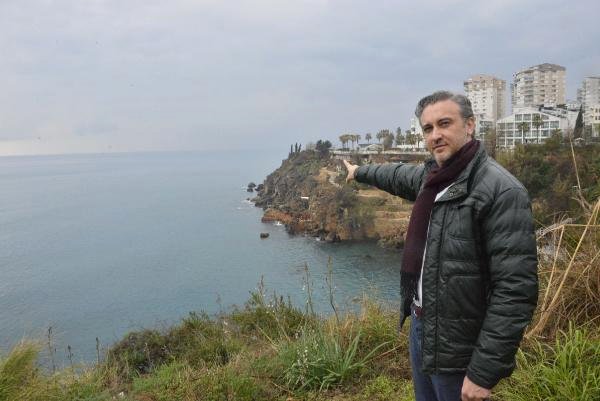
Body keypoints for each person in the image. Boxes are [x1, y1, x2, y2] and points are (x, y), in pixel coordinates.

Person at [343, 91, 538, 401]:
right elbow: (394, 175)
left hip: (461, 348)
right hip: (423, 326)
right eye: (428, 128)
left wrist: (483, 372)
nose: (435, 135)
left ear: (470, 125)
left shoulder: (500, 191)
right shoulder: (432, 179)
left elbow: (515, 291)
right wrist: (359, 172)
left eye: (444, 123)